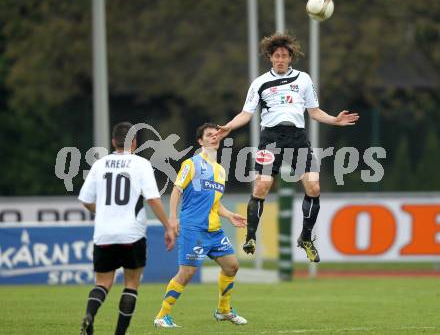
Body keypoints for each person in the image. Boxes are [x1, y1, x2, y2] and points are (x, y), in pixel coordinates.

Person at [215, 33, 359, 262]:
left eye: (284, 56)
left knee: (313, 186)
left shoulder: (303, 79)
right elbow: (246, 113)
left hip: (297, 138)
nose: (280, 59)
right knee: (262, 185)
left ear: (290, 58)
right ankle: (251, 236)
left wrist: (334, 120)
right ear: (270, 58)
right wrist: (229, 127)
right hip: (270, 138)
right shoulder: (260, 83)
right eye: (276, 56)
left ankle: (306, 238)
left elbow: (314, 112)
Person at [78, 122, 175, 335]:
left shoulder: (99, 164)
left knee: (103, 282)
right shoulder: (141, 164)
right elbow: (152, 199)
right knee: (131, 283)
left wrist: (103, 210)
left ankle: (90, 315)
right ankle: (120, 333)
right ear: (134, 142)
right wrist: (168, 227)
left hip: (103, 233)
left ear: (113, 142)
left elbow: (85, 200)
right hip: (132, 233)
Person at [153, 123, 248, 328]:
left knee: (232, 266)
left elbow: (215, 202)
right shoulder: (192, 163)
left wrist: (229, 215)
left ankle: (223, 310)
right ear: (200, 141)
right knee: (186, 273)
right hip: (193, 228)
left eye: (216, 135)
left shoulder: (220, 170)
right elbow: (177, 190)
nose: (214, 137)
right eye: (209, 135)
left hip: (214, 230)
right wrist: (172, 217)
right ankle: (162, 316)